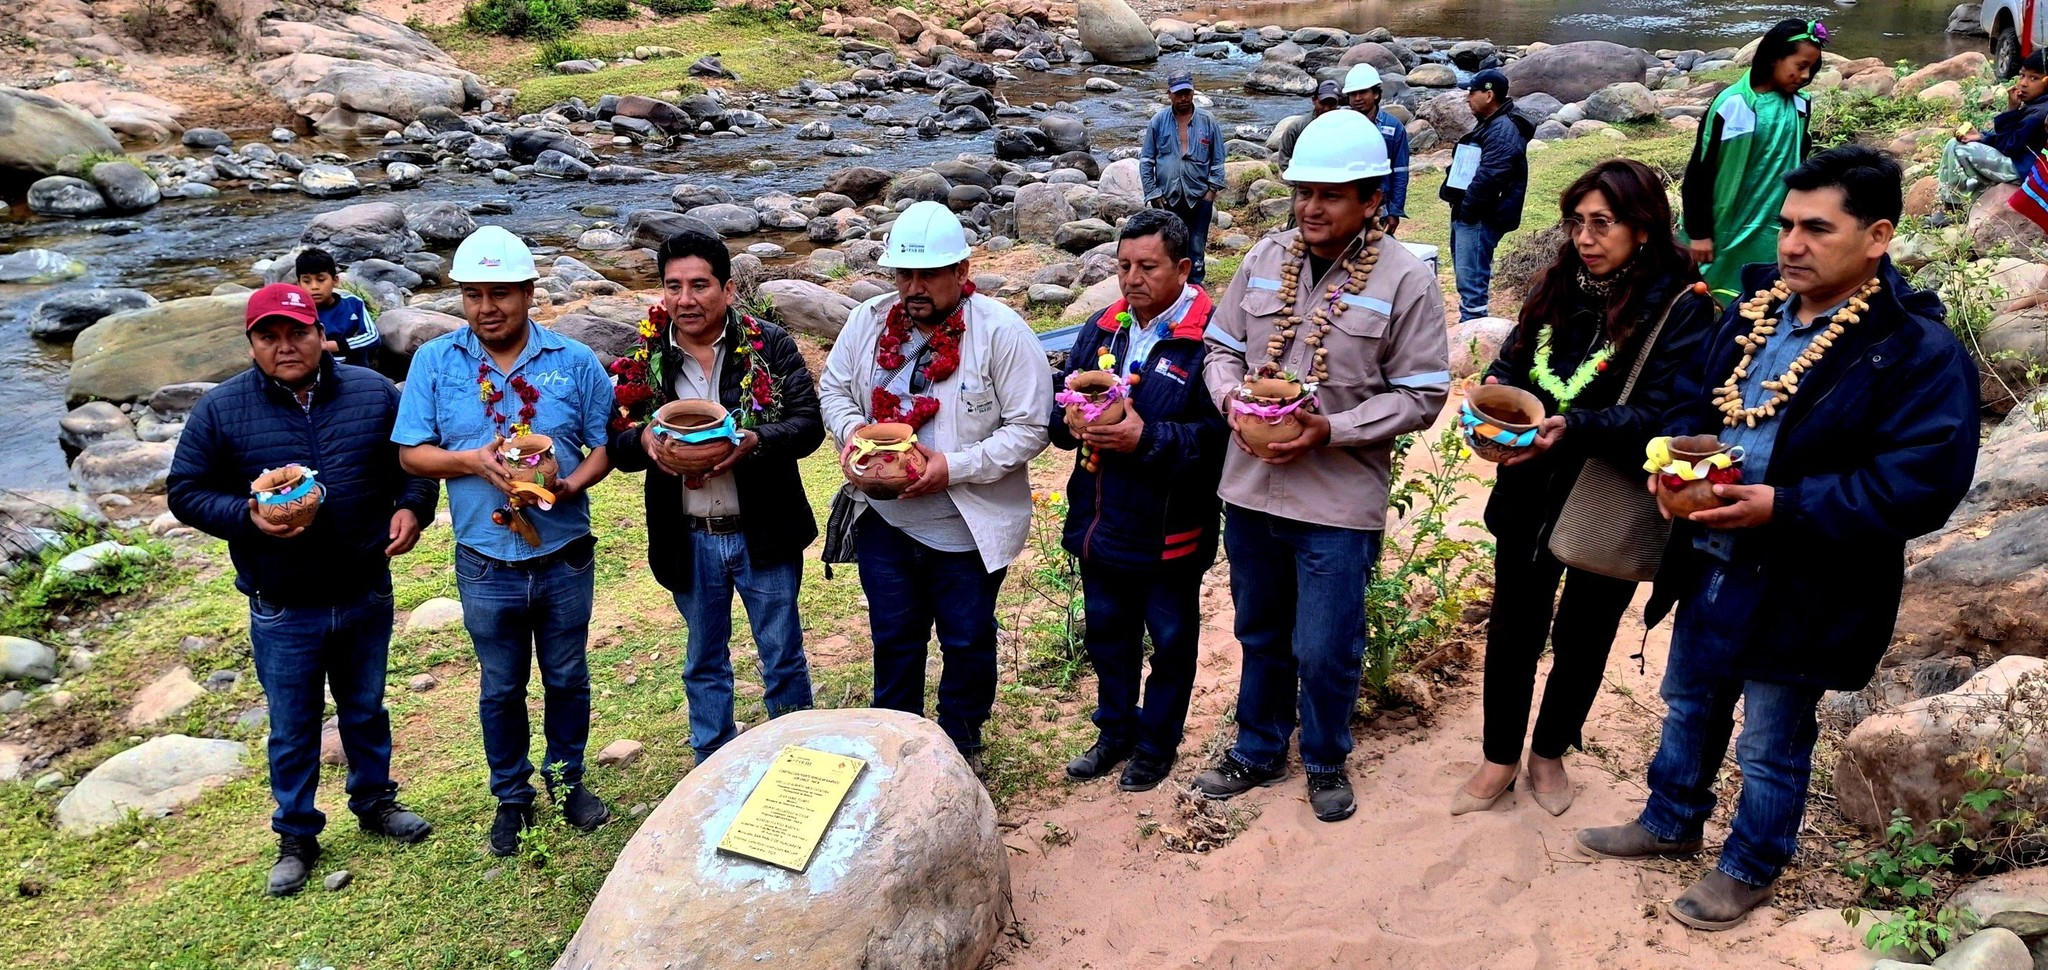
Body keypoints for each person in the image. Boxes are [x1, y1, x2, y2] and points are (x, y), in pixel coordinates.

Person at [1576, 147, 1980, 931]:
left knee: (1770, 736)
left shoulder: (1912, 350)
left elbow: (1920, 483)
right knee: (1688, 702)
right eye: (1786, 225)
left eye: (1816, 229)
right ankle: (1669, 819)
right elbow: (1694, 403)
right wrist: (1671, 469)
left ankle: (1751, 863)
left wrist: (1783, 506)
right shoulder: (1754, 311)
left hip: (1808, 579)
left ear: (1878, 236)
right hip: (1712, 558)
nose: (1790, 245)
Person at [1197, 111, 1451, 823]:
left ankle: (1326, 759)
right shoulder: (1262, 259)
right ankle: (1257, 749)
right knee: (1258, 629)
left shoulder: (1404, 280)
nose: (1311, 207)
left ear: (1372, 200)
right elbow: (1219, 349)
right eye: (1303, 191)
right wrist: (1231, 406)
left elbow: (1424, 393)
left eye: (1331, 195)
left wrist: (1330, 429)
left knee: (1326, 642)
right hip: (1249, 486)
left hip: (1337, 499)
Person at [1452, 160, 1719, 819]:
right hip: (1530, 485)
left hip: (1609, 497)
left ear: (1645, 228)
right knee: (1514, 628)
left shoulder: (1683, 307)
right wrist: (1493, 415)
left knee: (1585, 634)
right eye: (1577, 222)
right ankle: (1498, 757)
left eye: (1603, 223)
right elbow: (1514, 362)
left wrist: (1578, 427)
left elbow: (1671, 413)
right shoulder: (1556, 287)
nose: (1586, 238)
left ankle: (1548, 752)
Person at [167, 283, 438, 896]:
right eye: (270, 336)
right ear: (253, 343)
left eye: (298, 332)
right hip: (283, 602)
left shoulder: (372, 392)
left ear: (321, 333)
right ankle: (297, 835)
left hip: (365, 587)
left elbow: (413, 464)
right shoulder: (221, 409)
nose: (286, 346)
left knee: (365, 709)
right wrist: (247, 516)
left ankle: (375, 802)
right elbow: (184, 492)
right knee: (293, 726)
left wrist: (414, 509)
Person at [392, 225, 617, 856]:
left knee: (568, 675)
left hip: (564, 551)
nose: (487, 308)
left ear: (528, 293)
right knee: (500, 685)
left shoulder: (574, 362)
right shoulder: (434, 362)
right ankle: (511, 796)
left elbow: (602, 446)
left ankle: (568, 779)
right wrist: (470, 462)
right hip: (485, 557)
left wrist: (570, 484)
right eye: (473, 294)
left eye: (501, 294)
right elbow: (411, 455)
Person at [818, 201, 1052, 773]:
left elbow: (1030, 428)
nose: (913, 288)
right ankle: (893, 748)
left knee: (968, 638)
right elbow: (834, 391)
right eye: (904, 274)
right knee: (894, 635)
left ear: (963, 272)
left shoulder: (1001, 333)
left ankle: (961, 742)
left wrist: (950, 467)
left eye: (928, 274)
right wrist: (858, 440)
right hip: (886, 519)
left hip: (966, 527)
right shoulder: (869, 322)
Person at [606, 230, 824, 764]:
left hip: (763, 532)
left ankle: (797, 760)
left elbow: (808, 427)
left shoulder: (768, 344)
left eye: (700, 285)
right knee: (704, 659)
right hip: (690, 537)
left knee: (782, 654)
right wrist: (646, 443)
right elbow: (616, 444)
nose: (686, 299)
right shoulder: (645, 356)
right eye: (673, 286)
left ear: (727, 290)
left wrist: (754, 442)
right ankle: (712, 763)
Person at [1051, 208, 1228, 793]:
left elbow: (1217, 439)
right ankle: (1115, 732)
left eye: (1147, 267)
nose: (1131, 279)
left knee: (1172, 641)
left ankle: (1157, 746)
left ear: (1183, 267)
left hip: (1169, 529)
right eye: (1123, 265)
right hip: (1100, 520)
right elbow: (1064, 401)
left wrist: (1144, 437)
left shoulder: (1210, 339)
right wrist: (1071, 423)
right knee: (1108, 635)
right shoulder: (1103, 326)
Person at [1683, 18, 1824, 302]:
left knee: (1764, 291)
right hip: (1728, 219)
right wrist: (1699, 232)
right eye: (1800, 66)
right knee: (1708, 289)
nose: (1806, 76)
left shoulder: (1800, 104)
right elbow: (1700, 169)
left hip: (1773, 219)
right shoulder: (1732, 104)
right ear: (1774, 58)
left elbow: (1800, 155)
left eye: (1812, 69)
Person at [1441, 68, 1534, 321]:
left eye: (1472, 92)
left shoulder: (1503, 130)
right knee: (1468, 276)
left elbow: (1490, 177)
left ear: (1489, 95)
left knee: (1472, 281)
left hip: (1480, 216)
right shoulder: (1492, 124)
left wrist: (1468, 211)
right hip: (1474, 214)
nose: (1467, 98)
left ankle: (1474, 332)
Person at [1139, 72, 1227, 285]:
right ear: (1169, 94)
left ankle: (1196, 290)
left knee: (1196, 248)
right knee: (1169, 248)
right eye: (1178, 94)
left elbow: (1218, 159)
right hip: (1167, 198)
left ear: (1193, 91)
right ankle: (1171, 289)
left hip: (1199, 197)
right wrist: (1153, 192)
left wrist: (1211, 192)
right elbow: (1146, 160)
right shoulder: (1158, 121)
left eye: (1186, 93)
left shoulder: (1207, 121)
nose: (1183, 98)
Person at [1939, 49, 2048, 206]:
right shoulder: (2038, 105)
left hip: (2024, 170)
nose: (2023, 83)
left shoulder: (2040, 113)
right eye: (2022, 75)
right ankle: (1969, 196)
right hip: (2024, 164)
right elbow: (2014, 140)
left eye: (2034, 78)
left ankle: (1952, 206)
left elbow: (2008, 148)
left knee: (1955, 147)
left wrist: (2011, 110)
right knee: (1967, 146)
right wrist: (1984, 138)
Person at [1342, 64, 1412, 236]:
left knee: (1376, 253)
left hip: (1380, 207)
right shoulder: (1341, 125)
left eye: (1362, 92)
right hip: (1346, 204)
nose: (1357, 98)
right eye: (1352, 94)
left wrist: (1395, 211)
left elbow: (1400, 171)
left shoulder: (1393, 127)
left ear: (1376, 94)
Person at [296, 248, 380, 370]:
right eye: (307, 281)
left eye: (321, 280)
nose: (314, 287)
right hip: (316, 371)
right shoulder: (298, 311)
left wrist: (332, 345)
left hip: (356, 371)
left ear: (335, 281)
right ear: (299, 284)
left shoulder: (353, 303)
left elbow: (373, 337)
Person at [1273, 81, 1343, 172]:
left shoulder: (1344, 126)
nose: (1327, 108)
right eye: (1323, 103)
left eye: (1331, 104)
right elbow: (1284, 161)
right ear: (1314, 100)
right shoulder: (1296, 128)